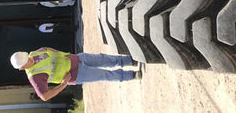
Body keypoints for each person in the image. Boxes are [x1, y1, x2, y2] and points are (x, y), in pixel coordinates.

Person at [10, 47, 141, 101]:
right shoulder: (34, 76)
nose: (29, 59)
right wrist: (64, 84)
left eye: (26, 56)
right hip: (76, 74)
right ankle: (131, 75)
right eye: (26, 61)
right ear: (22, 67)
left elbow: (48, 49)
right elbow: (44, 96)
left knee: (104, 58)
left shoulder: (34, 53)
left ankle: (130, 60)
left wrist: (67, 55)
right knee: (103, 74)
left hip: (77, 58)